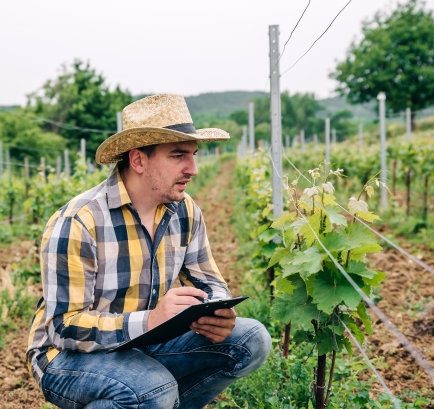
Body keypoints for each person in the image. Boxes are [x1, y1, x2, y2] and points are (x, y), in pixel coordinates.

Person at [27, 94, 271, 409]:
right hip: (68, 357)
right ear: (139, 160)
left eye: (194, 155)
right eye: (178, 155)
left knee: (252, 340)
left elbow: (209, 282)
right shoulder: (81, 220)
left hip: (146, 340)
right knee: (153, 389)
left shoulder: (185, 211)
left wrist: (218, 311)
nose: (193, 169)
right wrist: (150, 320)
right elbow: (64, 327)